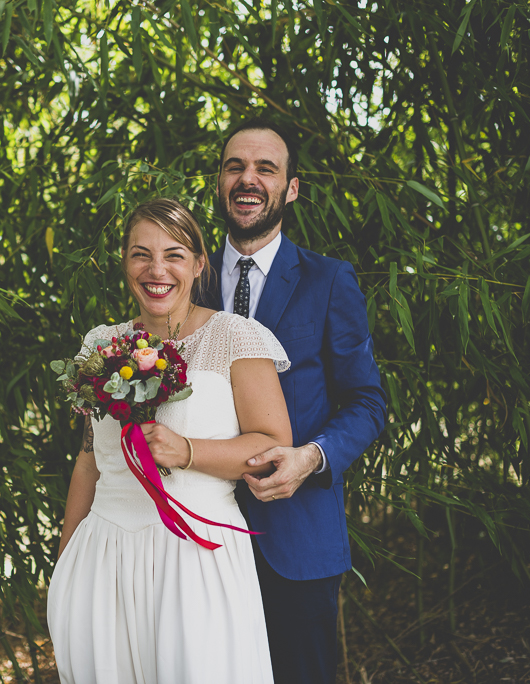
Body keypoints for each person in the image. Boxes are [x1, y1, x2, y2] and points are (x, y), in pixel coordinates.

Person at [47, 198, 293, 683]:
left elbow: (273, 445)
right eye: (141, 254)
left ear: (200, 264)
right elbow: (89, 460)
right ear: (125, 262)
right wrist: (65, 567)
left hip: (197, 558)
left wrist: (189, 451)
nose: (156, 269)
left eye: (174, 254)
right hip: (104, 561)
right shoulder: (101, 344)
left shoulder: (235, 337)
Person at [198, 116, 388, 684]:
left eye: (265, 168)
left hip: (298, 536)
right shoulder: (185, 280)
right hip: (195, 534)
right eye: (235, 166)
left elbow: (368, 400)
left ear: (291, 187)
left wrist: (312, 456)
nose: (248, 179)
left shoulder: (329, 281)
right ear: (218, 181)